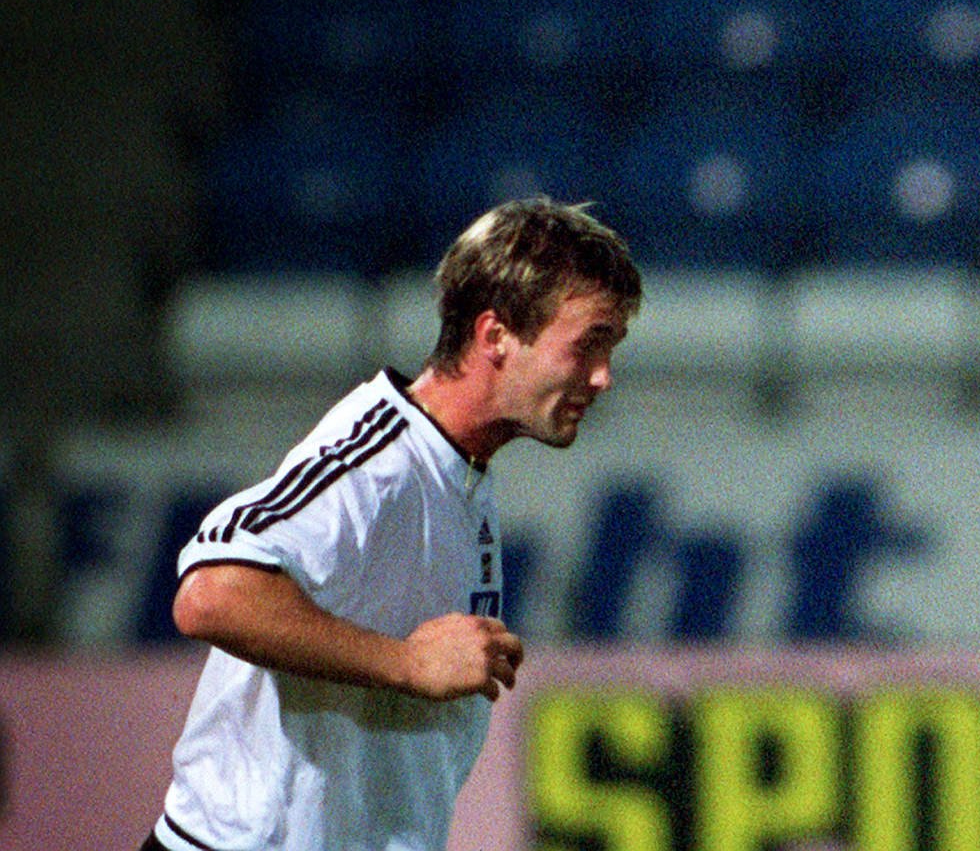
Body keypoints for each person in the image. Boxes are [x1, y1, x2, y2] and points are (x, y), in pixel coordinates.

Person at [145, 197, 642, 851]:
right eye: (587, 346)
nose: (603, 377)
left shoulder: (458, 470)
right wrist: (406, 662)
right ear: (495, 336)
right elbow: (212, 596)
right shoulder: (380, 462)